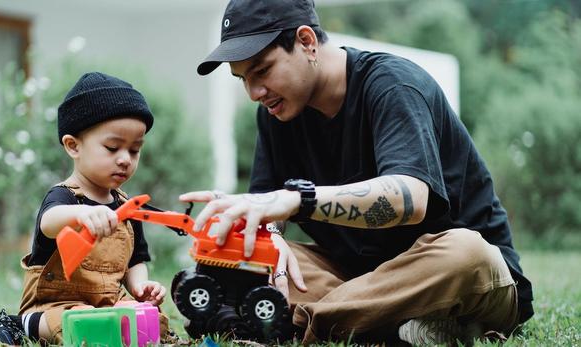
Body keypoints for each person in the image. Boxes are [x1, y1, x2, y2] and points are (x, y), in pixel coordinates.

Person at [181, 0, 534, 345]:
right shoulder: (276, 113)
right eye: (242, 79)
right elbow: (267, 206)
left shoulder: (393, 85)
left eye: (262, 71)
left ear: (306, 42)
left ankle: (301, 323)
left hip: (455, 275)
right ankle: (394, 325)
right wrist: (262, 230)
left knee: (467, 253)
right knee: (248, 256)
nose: (255, 92)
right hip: (359, 280)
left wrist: (298, 200)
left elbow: (409, 199)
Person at [0, 72, 168, 346]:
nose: (125, 159)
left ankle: (109, 326)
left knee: (151, 320)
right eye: (112, 147)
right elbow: (48, 222)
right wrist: (81, 215)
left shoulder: (126, 207)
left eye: (134, 150)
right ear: (73, 146)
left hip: (106, 305)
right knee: (82, 322)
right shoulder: (64, 197)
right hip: (54, 305)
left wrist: (139, 287)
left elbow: (136, 260)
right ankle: (18, 324)